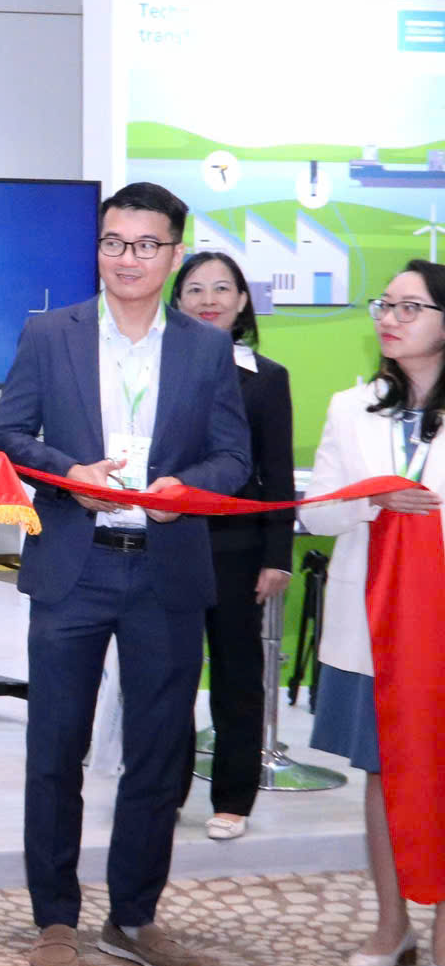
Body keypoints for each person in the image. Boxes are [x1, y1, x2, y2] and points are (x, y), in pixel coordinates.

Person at [0, 182, 249, 966]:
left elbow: (233, 458)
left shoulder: (205, 348)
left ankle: (133, 916)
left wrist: (186, 492)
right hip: (75, 564)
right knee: (54, 749)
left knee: (158, 754)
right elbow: (9, 435)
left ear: (174, 253)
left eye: (144, 245)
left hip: (166, 569)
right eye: (112, 242)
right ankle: (54, 916)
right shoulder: (50, 332)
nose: (126, 258)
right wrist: (69, 473)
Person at [300, 262, 445, 966]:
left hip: (438, 620)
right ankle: (393, 925)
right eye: (384, 304)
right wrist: (372, 499)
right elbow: (317, 513)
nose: (390, 317)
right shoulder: (350, 407)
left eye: (410, 307)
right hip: (373, 623)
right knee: (383, 770)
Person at [173, 251, 294, 841]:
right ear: (177, 301)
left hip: (238, 549)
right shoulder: (160, 368)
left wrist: (277, 556)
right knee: (167, 675)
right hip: (169, 541)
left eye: (222, 288)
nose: (208, 300)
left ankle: (233, 798)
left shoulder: (266, 377)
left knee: (237, 676)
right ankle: (164, 792)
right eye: (195, 289)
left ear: (243, 301)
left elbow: (278, 473)